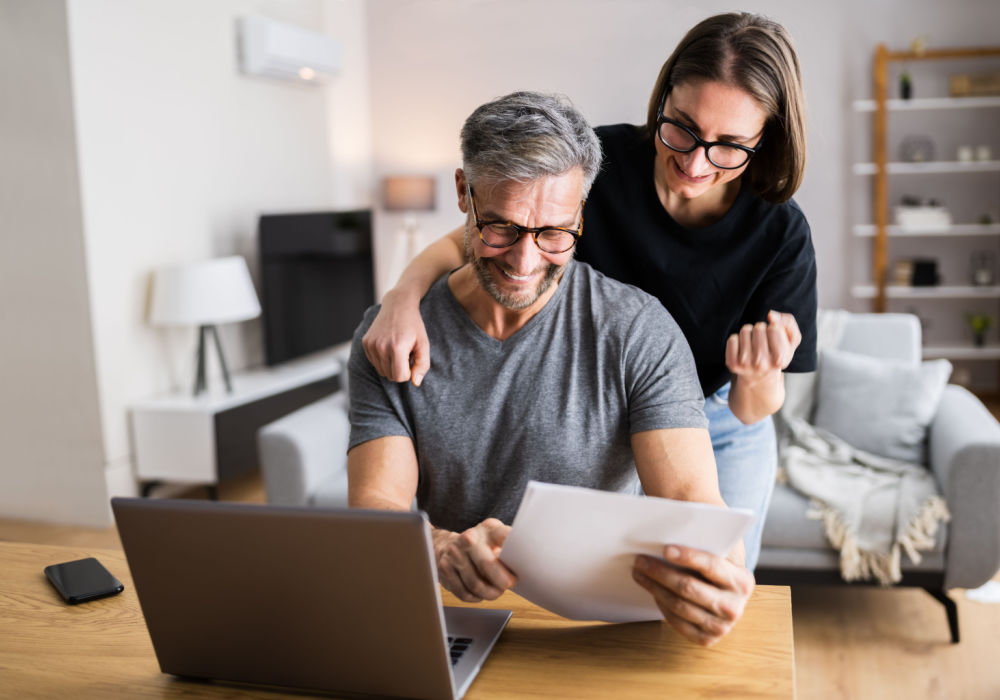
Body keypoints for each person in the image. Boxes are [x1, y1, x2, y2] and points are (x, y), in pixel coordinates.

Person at [360, 12, 817, 570]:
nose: (695, 162)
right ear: (663, 98)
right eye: (682, 127)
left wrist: (758, 372)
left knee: (716, 576)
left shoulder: (781, 232)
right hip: (611, 402)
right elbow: (485, 235)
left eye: (729, 145)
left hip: (718, 414)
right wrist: (402, 299)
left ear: (764, 138)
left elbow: (755, 409)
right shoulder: (599, 164)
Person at [348, 91, 754, 648]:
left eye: (553, 234)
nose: (525, 262)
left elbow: (692, 500)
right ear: (464, 192)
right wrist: (439, 546)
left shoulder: (637, 330)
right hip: (454, 626)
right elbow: (376, 509)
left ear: (581, 215)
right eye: (501, 229)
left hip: (593, 637)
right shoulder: (391, 337)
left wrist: (722, 572)